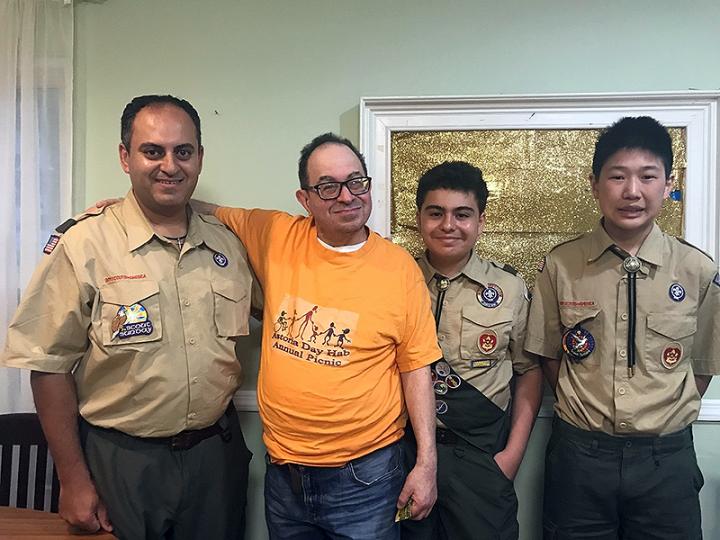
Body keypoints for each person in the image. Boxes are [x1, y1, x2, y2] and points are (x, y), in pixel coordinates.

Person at [2, 95, 254, 540]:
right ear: (125, 157)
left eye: (183, 151)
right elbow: (47, 365)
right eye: (152, 151)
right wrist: (73, 480)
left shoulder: (229, 244)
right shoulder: (84, 244)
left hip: (215, 459)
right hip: (122, 461)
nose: (170, 166)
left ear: (199, 157)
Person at [193, 132, 441, 539]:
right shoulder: (275, 234)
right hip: (284, 475)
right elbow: (208, 210)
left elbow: (416, 369)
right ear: (305, 199)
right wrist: (131, 209)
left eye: (356, 181)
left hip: (366, 477)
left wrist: (426, 465)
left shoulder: (399, 270)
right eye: (328, 186)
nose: (346, 196)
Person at [525, 116, 719, 539]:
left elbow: (701, 365)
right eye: (617, 176)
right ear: (595, 184)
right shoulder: (562, 265)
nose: (632, 191)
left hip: (665, 460)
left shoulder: (698, 270)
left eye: (648, 177)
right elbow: (548, 355)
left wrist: (657, 414)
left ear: (667, 184)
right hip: (580, 457)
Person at [401, 161, 542, 540]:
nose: (448, 225)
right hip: (405, 452)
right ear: (419, 219)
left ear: (480, 220)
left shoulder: (510, 288)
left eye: (462, 214)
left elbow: (529, 371)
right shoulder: (395, 279)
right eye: (436, 213)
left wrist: (511, 456)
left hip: (480, 455)